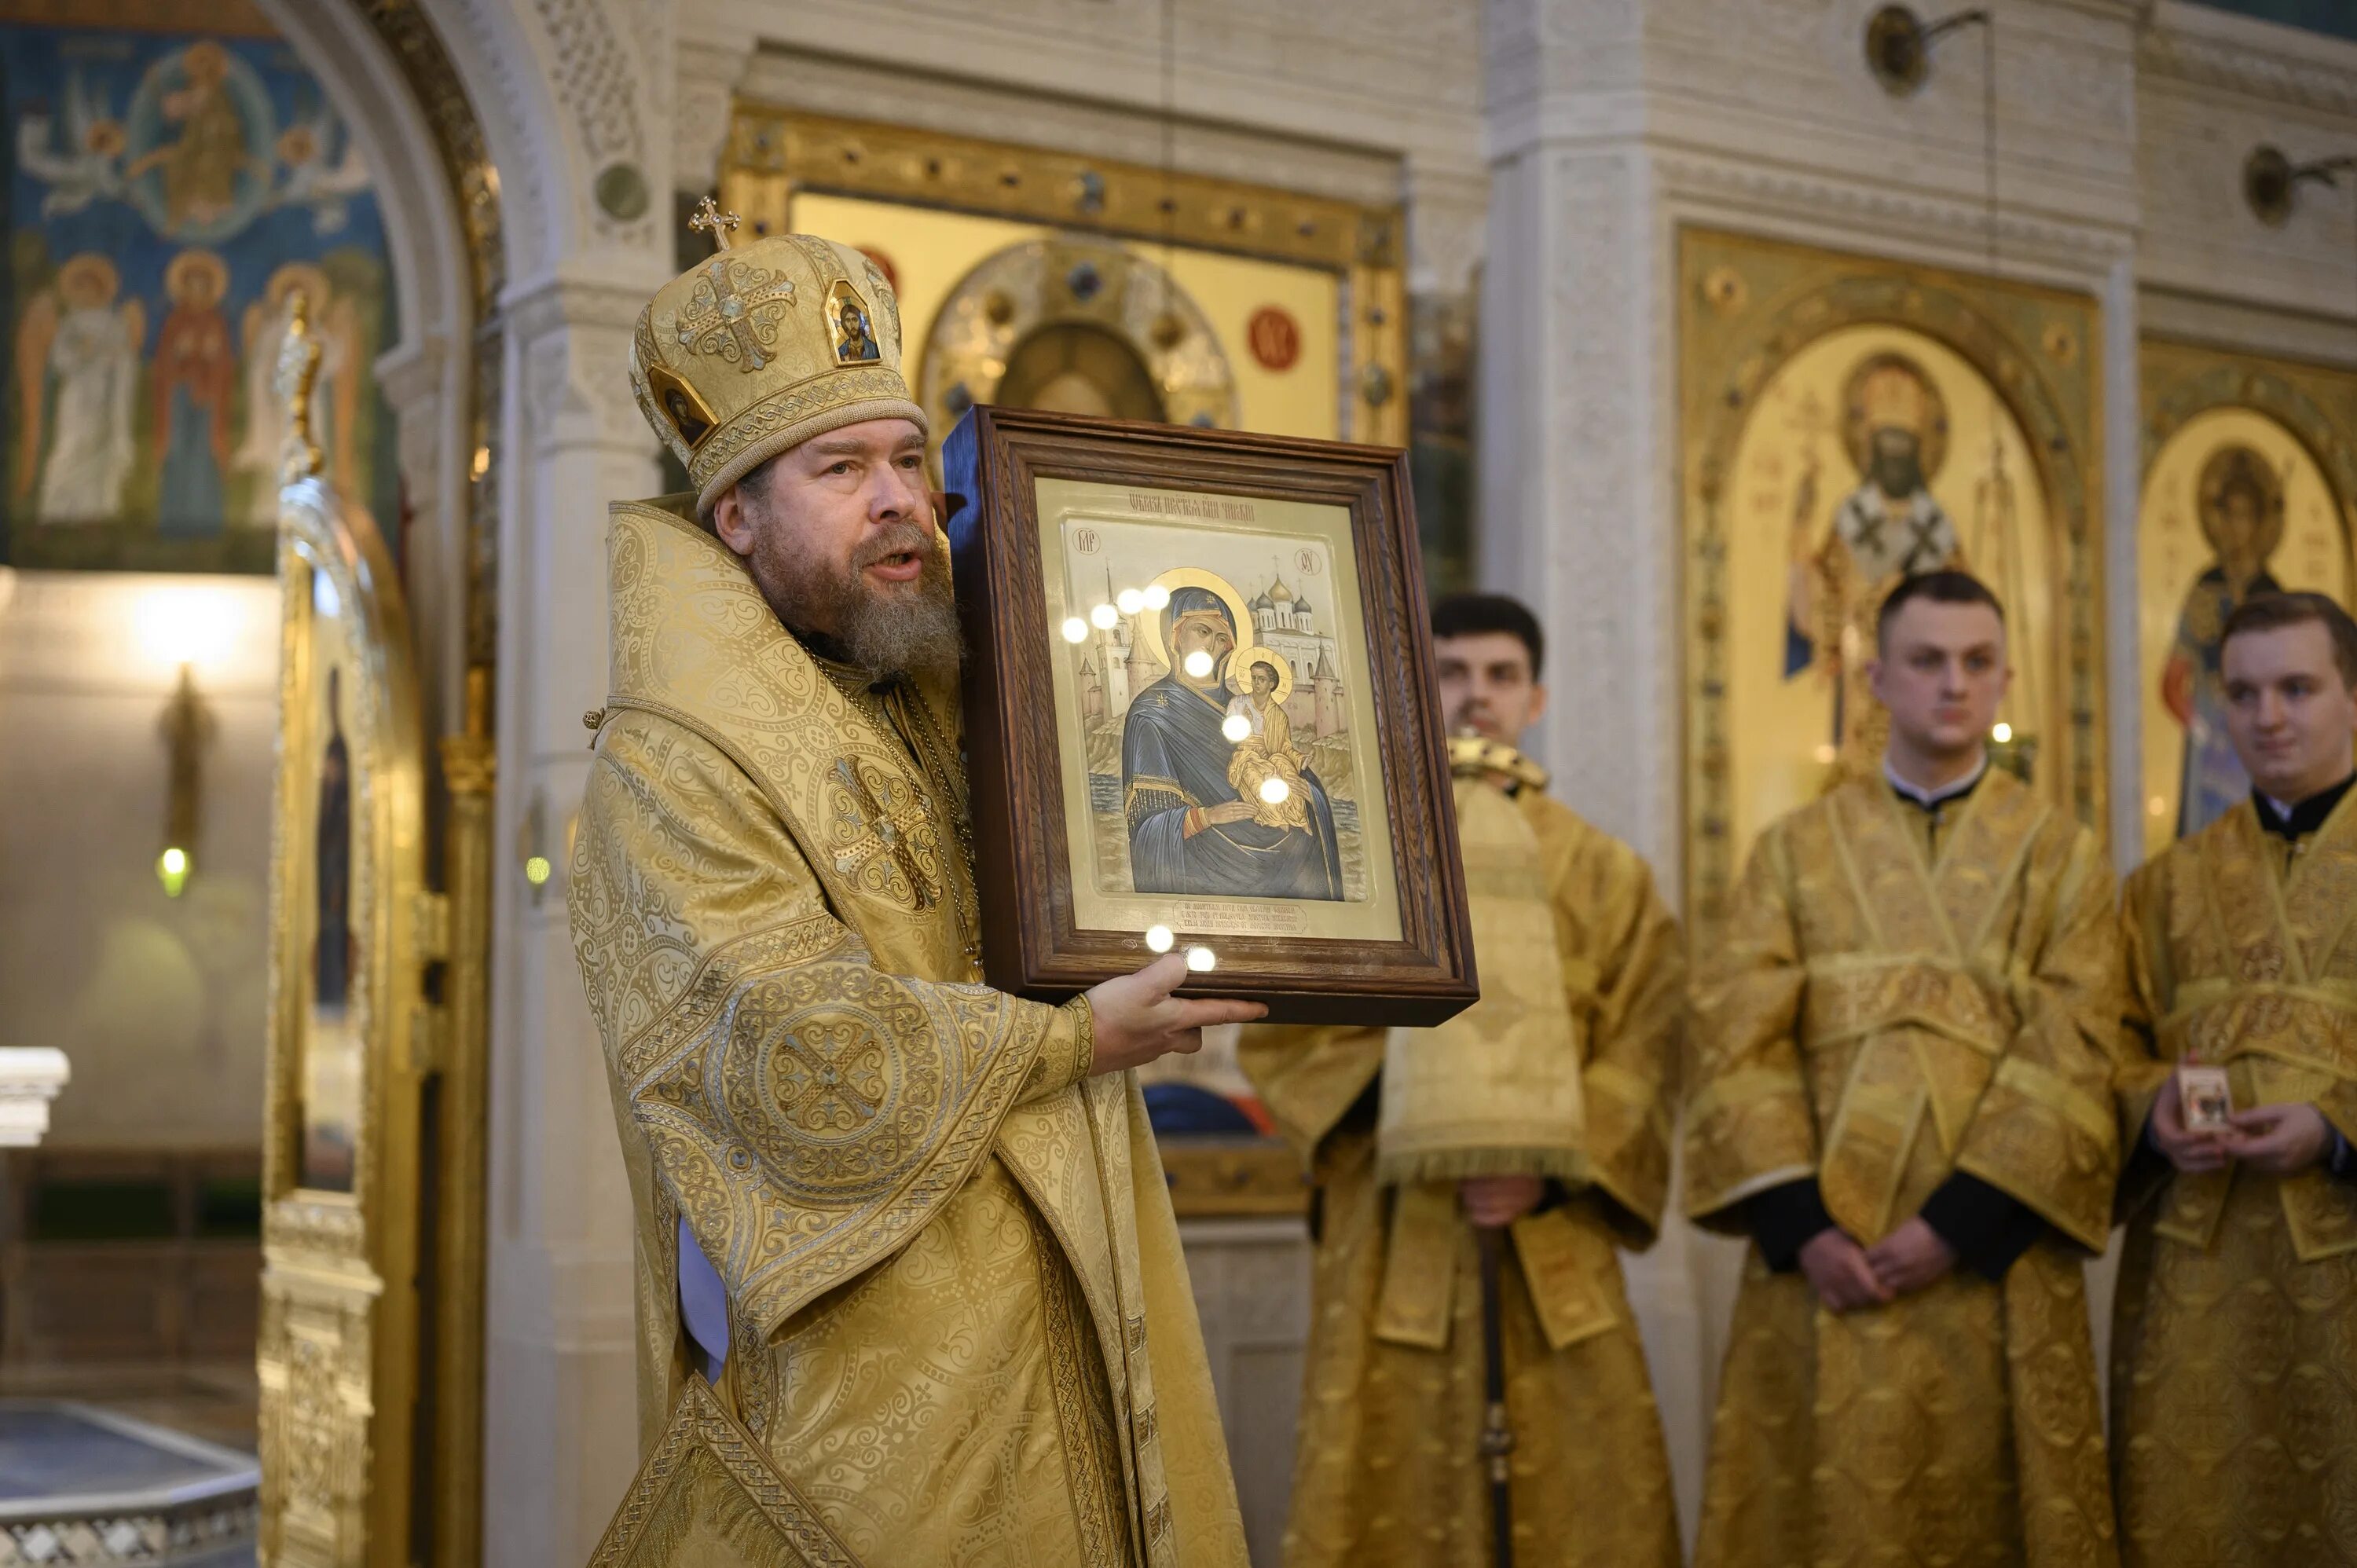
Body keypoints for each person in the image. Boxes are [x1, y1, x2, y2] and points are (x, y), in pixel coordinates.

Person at [570, 213, 1254, 1566]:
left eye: (904, 459)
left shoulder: (950, 685)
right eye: (840, 468)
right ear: (738, 517)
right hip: (883, 1379)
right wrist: (1073, 1037)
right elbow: (788, 1061)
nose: (898, 498)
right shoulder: (670, 768)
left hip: (1082, 1291)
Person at [1237, 592, 1684, 1568]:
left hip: (1551, 1229)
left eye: (1499, 676)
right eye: (1451, 673)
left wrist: (1549, 1165)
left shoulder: (1611, 873)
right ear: (1414, 688)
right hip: (1397, 1224)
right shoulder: (1343, 855)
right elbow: (1282, 1032)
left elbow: (1649, 1041)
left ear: (1537, 696)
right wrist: (1420, 1104)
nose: (1475, 697)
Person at [1687, 569, 2121, 1568]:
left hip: (1993, 1257)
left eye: (1976, 663)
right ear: (1876, 677)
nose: (1953, 685)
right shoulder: (1792, 852)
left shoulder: (2064, 857)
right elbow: (1732, 1040)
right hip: (1825, 1263)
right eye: (1926, 661)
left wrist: (1957, 1225)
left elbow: (2083, 1039)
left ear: (2007, 678)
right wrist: (1802, 1227)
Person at [2113, 589, 2357, 1566]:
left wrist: (2339, 1129)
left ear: (2353, 695)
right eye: (2245, 691)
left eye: (2298, 687)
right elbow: (2105, 1052)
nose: (2268, 716)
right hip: (2198, 1281)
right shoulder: (2165, 885)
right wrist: (2151, 1112)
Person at [1122, 588, 1343, 899]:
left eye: (1222, 638)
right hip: (1208, 865)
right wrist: (1208, 816)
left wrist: (1313, 795)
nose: (1212, 645)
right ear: (1175, 635)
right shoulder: (1153, 712)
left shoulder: (1245, 704)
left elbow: (1279, 752)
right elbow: (1147, 826)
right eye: (1202, 631)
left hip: (1289, 860)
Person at [1224, 658, 1310, 832]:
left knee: (1285, 768)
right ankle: (1278, 823)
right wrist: (1243, 723)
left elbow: (1284, 747)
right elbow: (1230, 737)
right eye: (1254, 678)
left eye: (1261, 679)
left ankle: (1298, 819)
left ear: (1271, 684)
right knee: (1257, 781)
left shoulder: (1279, 715)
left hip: (1271, 755)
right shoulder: (1238, 703)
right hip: (1246, 755)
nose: (1256, 683)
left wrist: (1300, 759)